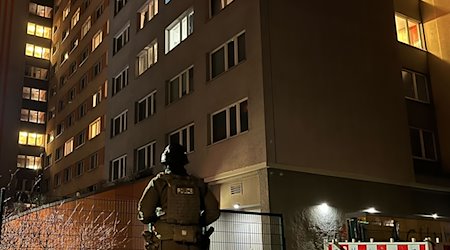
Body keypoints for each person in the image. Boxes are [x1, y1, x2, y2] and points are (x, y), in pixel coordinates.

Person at [138, 143, 220, 250]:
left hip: (166, 242)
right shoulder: (197, 183)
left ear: (165, 162)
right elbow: (213, 212)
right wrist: (197, 222)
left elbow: (145, 213)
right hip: (195, 242)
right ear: (184, 162)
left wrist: (156, 218)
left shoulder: (159, 182)